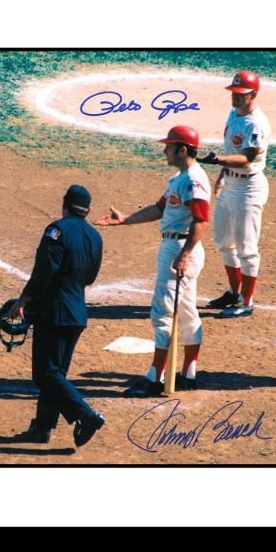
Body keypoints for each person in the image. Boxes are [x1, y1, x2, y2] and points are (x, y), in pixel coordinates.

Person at [95, 125, 210, 395]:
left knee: (163, 312)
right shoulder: (179, 178)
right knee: (186, 311)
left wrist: (184, 254)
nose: (164, 150)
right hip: (177, 246)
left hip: (180, 247)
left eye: (169, 146)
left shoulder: (193, 180)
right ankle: (188, 373)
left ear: (183, 149)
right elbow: (160, 209)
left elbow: (201, 221)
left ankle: (155, 378)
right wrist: (125, 220)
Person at [8, 185, 106, 447]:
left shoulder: (57, 230)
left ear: (65, 204)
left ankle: (87, 416)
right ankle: (42, 428)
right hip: (77, 314)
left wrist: (23, 299)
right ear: (87, 210)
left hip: (54, 313)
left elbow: (44, 271)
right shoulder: (95, 236)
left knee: (45, 375)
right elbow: (90, 277)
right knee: (56, 375)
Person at [198, 70, 272, 318]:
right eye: (234, 92)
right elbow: (232, 149)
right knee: (223, 241)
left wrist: (217, 160)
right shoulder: (234, 113)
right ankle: (233, 292)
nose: (235, 97)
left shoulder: (256, 124)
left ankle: (247, 302)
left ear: (254, 94)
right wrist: (222, 176)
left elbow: (246, 158)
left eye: (241, 93)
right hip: (230, 184)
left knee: (246, 248)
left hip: (248, 189)